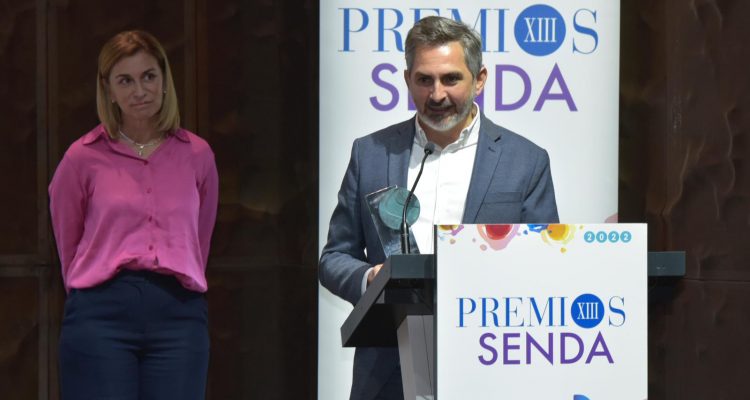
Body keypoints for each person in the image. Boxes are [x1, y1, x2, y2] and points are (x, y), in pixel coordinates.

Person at [319, 16, 559, 400]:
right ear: (407, 80)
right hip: (388, 372)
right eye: (424, 80)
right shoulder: (371, 154)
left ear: (479, 79)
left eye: (451, 79)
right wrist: (371, 279)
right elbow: (334, 258)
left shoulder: (525, 161)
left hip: (490, 368)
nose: (437, 94)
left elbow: (546, 266)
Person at [49, 30, 218, 399]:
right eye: (125, 80)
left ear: (164, 81)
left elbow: (199, 240)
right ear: (108, 90)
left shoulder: (198, 155)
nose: (139, 90)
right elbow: (67, 241)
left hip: (179, 315)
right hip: (100, 316)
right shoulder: (82, 157)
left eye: (148, 76)